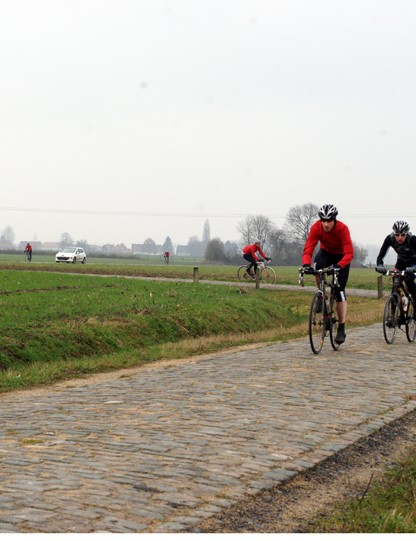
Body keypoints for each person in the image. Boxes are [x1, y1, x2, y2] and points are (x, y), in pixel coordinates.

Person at [302, 204, 354, 345]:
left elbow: (349, 253)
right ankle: (321, 294)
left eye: (329, 221)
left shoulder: (342, 229)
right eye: (323, 220)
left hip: (342, 257)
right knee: (316, 267)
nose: (326, 224)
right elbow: (308, 248)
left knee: (339, 291)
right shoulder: (316, 227)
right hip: (326, 253)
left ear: (334, 220)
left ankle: (341, 327)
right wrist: (306, 264)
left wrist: (338, 266)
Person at [375, 220, 416, 303]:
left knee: (408, 280)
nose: (399, 237)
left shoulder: (412, 239)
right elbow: (380, 256)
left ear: (407, 234)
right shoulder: (389, 239)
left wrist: (414, 268)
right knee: (395, 283)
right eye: (397, 235)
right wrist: (380, 265)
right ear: (394, 234)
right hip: (401, 261)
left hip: (413, 262)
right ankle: (394, 312)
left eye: (403, 235)